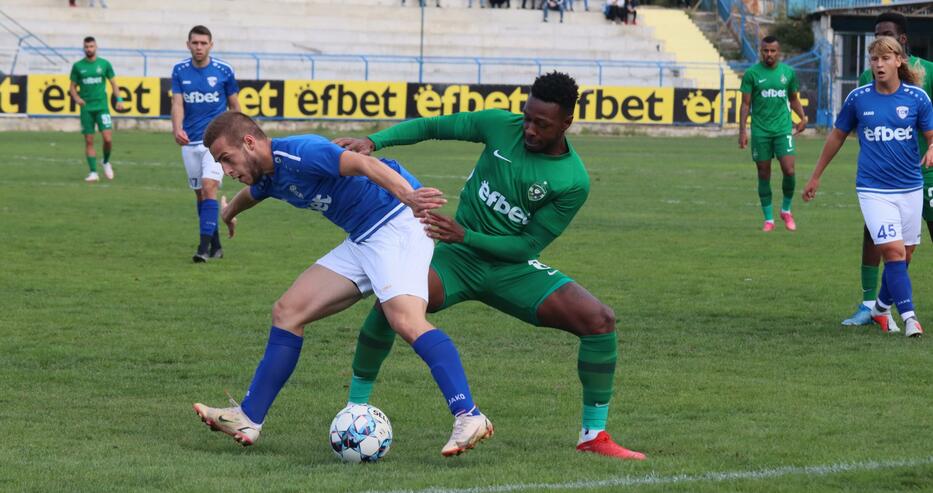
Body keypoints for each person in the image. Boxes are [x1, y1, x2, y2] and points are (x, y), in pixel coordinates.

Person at [333, 72, 646, 460]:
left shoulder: (573, 180)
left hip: (510, 267)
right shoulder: (500, 124)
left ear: (566, 122)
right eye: (527, 117)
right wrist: (375, 141)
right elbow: (434, 126)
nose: (529, 129)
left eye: (541, 124)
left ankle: (593, 436)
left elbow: (527, 245)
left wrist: (466, 235)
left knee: (600, 320)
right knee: (392, 299)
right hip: (455, 260)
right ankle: (356, 407)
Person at [192, 112, 494, 457]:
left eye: (226, 159)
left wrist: (409, 196)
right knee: (288, 312)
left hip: (396, 222)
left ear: (249, 143)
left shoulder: (302, 152)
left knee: (406, 320)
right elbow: (252, 194)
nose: (225, 170)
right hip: (363, 237)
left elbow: (365, 164)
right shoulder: (268, 175)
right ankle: (248, 418)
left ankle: (469, 414)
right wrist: (228, 214)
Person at [802, 36, 933, 338]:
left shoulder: (917, 98)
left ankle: (879, 309)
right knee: (893, 252)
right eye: (874, 59)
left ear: (899, 60)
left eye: (885, 58)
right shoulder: (858, 98)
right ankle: (910, 318)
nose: (879, 64)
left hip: (910, 187)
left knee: (905, 254)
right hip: (873, 189)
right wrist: (816, 175)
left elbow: (931, 134)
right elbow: (837, 136)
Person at [841, 12, 933, 329]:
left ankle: (882, 306)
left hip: (923, 173)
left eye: (887, 34)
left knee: (907, 250)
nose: (880, 40)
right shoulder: (868, 78)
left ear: (902, 41)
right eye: (876, 34)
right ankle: (870, 305)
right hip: (881, 180)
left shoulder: (928, 72)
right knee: (875, 236)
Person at [171, 25, 240, 263]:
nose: (199, 47)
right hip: (189, 142)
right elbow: (178, 103)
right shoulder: (179, 70)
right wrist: (177, 128)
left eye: (203, 43)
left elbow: (235, 106)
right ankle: (216, 246)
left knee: (210, 186)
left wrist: (236, 135)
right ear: (188, 44)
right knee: (201, 194)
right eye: (195, 43)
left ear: (211, 45)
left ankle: (202, 249)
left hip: (216, 142)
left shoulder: (224, 70)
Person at [739, 35, 808, 232]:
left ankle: (786, 210)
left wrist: (802, 118)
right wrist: (742, 130)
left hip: (783, 129)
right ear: (761, 51)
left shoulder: (788, 73)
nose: (769, 54)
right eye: (765, 50)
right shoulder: (752, 74)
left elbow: (793, 99)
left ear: (779, 52)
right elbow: (745, 104)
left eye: (772, 51)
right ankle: (768, 219)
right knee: (763, 173)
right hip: (760, 131)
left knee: (789, 170)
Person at [69, 36, 124, 183]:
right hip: (86, 109)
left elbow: (113, 84)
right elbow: (72, 88)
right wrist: (77, 98)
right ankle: (93, 172)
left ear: (96, 47)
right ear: (83, 48)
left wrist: (119, 99)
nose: (89, 49)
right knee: (89, 141)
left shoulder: (104, 64)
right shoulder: (78, 66)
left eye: (91, 46)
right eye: (86, 47)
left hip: (102, 108)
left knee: (108, 139)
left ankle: (105, 161)